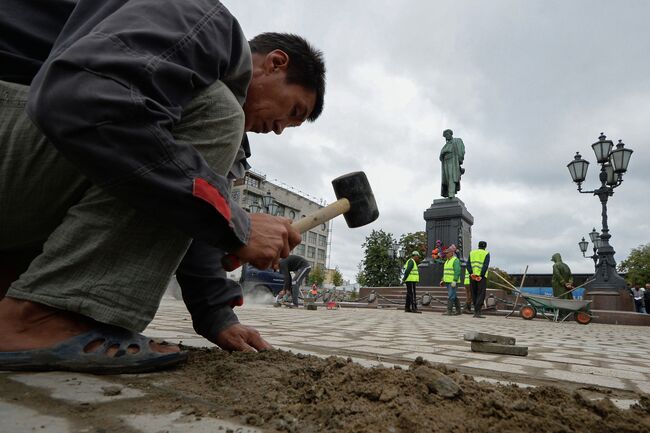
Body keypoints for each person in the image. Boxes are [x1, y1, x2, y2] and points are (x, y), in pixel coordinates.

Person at [0, 0, 326, 373]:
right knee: (219, 115)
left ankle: (20, 310)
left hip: (18, 176)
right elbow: (81, 103)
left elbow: (177, 203)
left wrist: (217, 315)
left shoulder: (184, 85)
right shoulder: (205, 24)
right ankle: (41, 319)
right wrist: (237, 224)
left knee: (190, 169)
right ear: (276, 63)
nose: (281, 128)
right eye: (294, 111)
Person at [439, 129, 465, 199]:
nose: (446, 137)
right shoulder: (445, 146)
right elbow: (441, 155)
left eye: (447, 135)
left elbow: (461, 150)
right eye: (445, 136)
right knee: (447, 179)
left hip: (453, 160)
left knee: (452, 177)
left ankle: (451, 194)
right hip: (446, 162)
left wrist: (459, 160)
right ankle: (448, 193)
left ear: (451, 134)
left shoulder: (457, 141)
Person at [468, 241, 490, 318]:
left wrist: (471, 273)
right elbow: (485, 265)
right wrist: (481, 275)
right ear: (485, 247)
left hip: (472, 276)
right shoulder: (486, 253)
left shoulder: (472, 253)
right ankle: (478, 312)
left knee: (474, 293)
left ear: (478, 246)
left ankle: (475, 311)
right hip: (481, 277)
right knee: (481, 294)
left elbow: (468, 264)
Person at [440, 245, 462, 315]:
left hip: (452, 282)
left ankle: (449, 311)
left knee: (451, 295)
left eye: (447, 253)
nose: (446, 254)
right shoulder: (446, 261)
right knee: (453, 295)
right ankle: (458, 311)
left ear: (452, 253)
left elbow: (457, 271)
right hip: (447, 281)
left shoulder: (455, 260)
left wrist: (455, 280)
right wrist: (443, 280)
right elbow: (445, 272)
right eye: (445, 253)